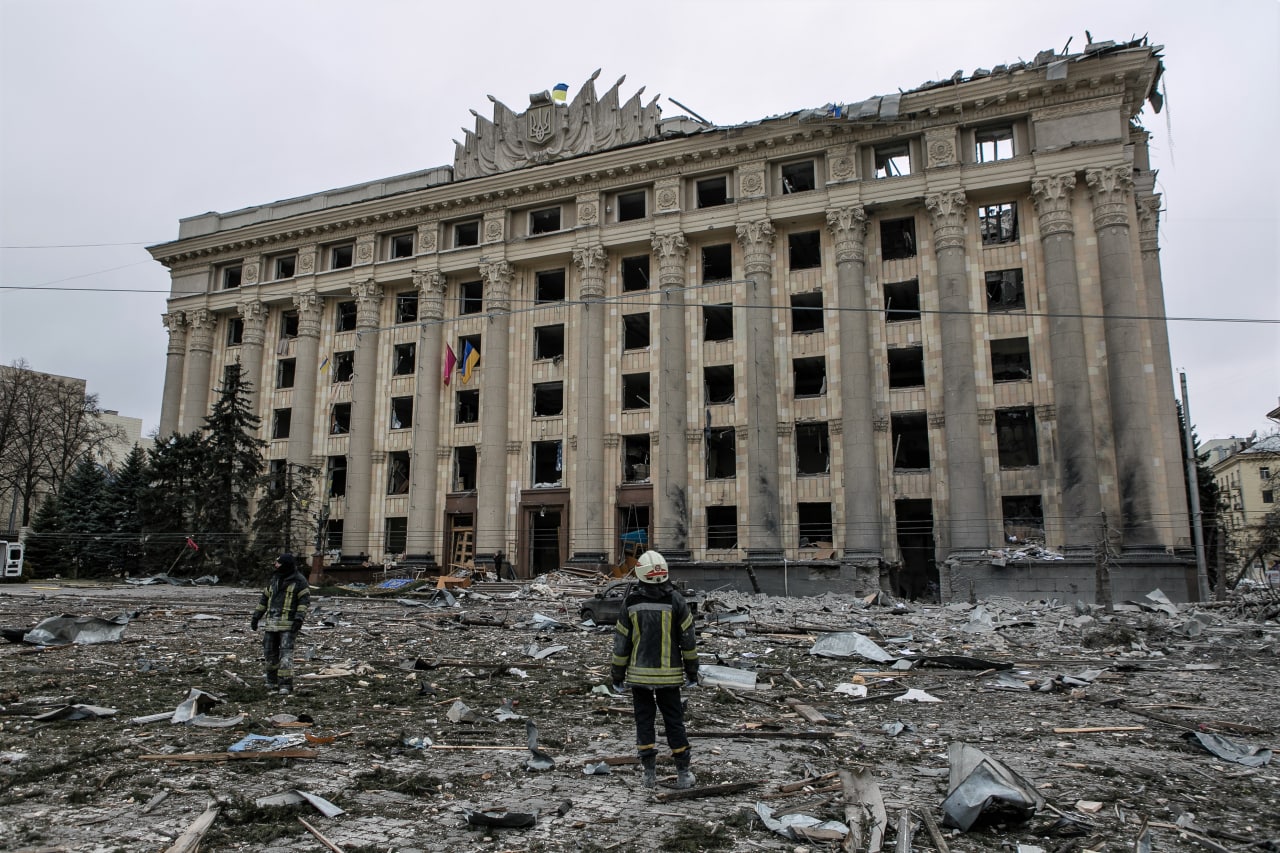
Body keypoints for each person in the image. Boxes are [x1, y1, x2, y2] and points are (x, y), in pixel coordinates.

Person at [610, 550, 699, 789]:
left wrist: (617, 674)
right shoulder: (676, 601)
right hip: (670, 676)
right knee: (674, 722)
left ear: (640, 574)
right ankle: (683, 773)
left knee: (644, 721)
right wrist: (692, 671)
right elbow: (688, 641)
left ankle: (649, 775)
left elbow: (621, 643)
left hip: (639, 677)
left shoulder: (631, 603)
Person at [250, 552, 310, 695]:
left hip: (288, 626)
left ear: (286, 565)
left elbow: (304, 602)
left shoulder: (299, 581)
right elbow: (264, 599)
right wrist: (256, 617)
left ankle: (285, 685)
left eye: (278, 563)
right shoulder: (274, 579)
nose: (275, 565)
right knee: (269, 654)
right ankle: (271, 681)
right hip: (271, 624)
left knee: (285, 656)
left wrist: (298, 619)